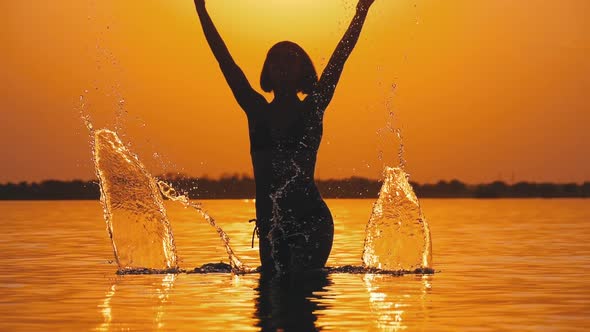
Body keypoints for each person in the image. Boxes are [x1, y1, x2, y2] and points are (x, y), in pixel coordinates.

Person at [193, 0, 375, 274]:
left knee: (301, 289)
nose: (282, 63)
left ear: (304, 71)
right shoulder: (256, 110)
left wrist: (362, 11)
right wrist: (201, 10)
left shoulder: (312, 109)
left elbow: (341, 57)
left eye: (291, 58)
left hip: (311, 219)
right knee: (268, 304)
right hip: (270, 222)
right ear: (266, 71)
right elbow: (225, 61)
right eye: (276, 58)